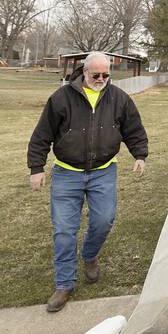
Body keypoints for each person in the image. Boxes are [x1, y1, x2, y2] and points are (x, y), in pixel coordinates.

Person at [27, 51, 148, 312]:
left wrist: (140, 154)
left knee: (104, 220)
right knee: (64, 231)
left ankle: (90, 256)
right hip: (66, 173)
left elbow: (133, 129)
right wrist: (36, 167)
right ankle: (64, 284)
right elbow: (42, 134)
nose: (101, 79)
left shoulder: (119, 99)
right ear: (84, 72)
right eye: (96, 75)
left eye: (106, 75)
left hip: (103, 172)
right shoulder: (61, 98)